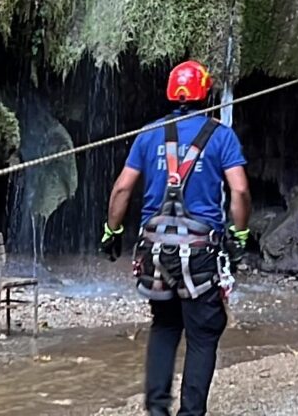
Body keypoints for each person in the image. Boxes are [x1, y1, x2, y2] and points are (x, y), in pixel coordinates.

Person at [101, 59, 252, 416]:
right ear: (206, 92)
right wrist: (240, 234)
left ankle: (156, 410)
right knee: (203, 332)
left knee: (165, 325)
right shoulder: (221, 135)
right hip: (199, 253)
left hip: (154, 250)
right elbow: (240, 191)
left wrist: (112, 231)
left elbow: (123, 188)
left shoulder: (149, 134)